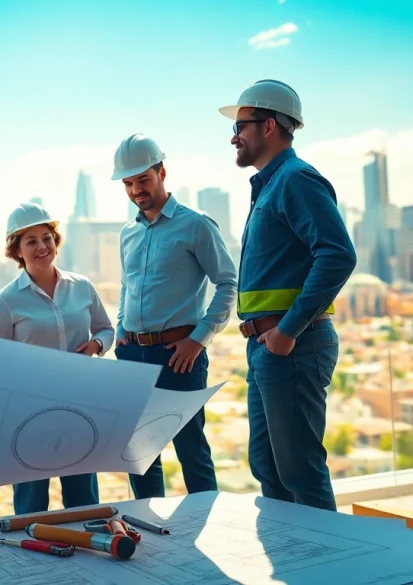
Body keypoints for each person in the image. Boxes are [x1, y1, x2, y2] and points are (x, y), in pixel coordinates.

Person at [219, 79, 356, 511]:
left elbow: (337, 255)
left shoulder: (296, 180)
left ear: (270, 126)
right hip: (268, 347)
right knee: (269, 468)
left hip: (292, 346)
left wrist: (287, 329)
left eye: (242, 125)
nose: (233, 136)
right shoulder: (270, 186)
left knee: (299, 471)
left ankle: (330, 570)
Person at [111, 134, 238, 500]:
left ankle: (206, 533)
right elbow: (127, 285)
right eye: (129, 183)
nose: (136, 190)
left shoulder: (196, 225)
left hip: (179, 355)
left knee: (191, 450)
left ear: (162, 172)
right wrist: (121, 327)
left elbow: (228, 284)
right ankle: (150, 532)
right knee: (138, 452)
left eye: (143, 180)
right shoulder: (128, 233)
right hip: (132, 355)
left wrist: (199, 339)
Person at [0, 201, 114, 514]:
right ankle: (32, 560)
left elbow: (106, 329)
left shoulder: (82, 287)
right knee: (31, 503)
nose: (42, 246)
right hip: (30, 411)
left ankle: (89, 555)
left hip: (79, 404)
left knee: (83, 498)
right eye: (31, 241)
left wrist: (96, 345)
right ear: (16, 251)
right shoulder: (6, 300)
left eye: (47, 238)